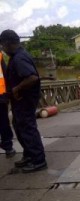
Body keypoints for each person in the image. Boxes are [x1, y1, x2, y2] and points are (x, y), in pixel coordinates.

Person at [0, 29, 47, 172]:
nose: (2, 48)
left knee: (27, 128)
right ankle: (29, 155)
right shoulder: (17, 55)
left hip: (25, 100)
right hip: (20, 101)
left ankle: (38, 160)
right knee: (18, 126)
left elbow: (32, 77)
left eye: (2, 45)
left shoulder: (19, 58)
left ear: (8, 44)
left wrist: (16, 88)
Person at [0, 49, 16, 158]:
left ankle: (8, 146)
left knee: (3, 122)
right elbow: (6, 74)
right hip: (1, 95)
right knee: (3, 122)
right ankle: (8, 148)